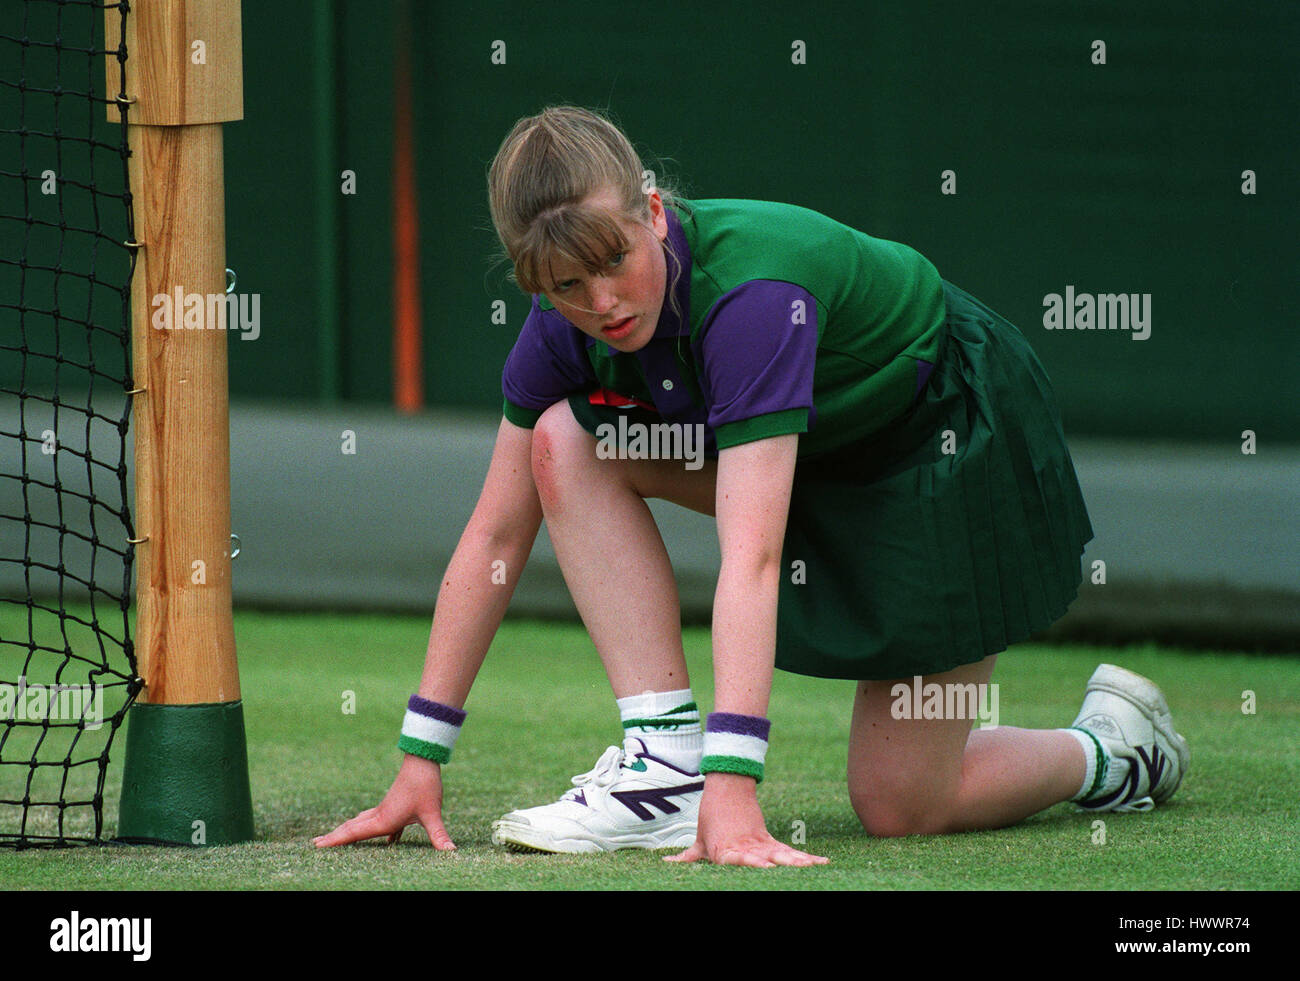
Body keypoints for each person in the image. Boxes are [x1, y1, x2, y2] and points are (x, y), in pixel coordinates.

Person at [314, 105, 1189, 867]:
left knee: (901, 808)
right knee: (563, 440)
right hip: (803, 452)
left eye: (614, 260)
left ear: (652, 211)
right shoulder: (560, 327)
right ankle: (664, 763)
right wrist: (420, 758)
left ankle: (1114, 751)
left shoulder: (755, 298)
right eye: (567, 287)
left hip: (942, 442)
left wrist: (737, 787)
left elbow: (756, 553)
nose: (603, 303)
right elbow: (496, 537)